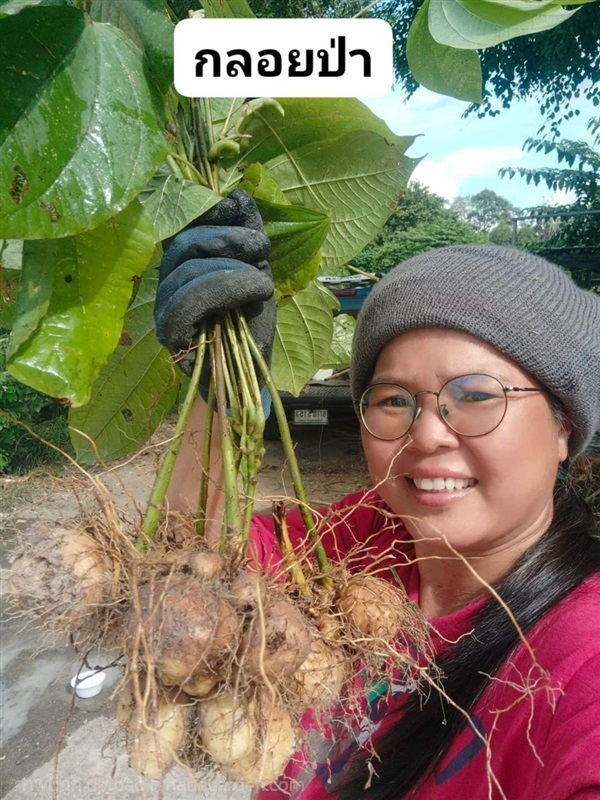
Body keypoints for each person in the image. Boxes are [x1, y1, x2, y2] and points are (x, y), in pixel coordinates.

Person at [155, 191, 600, 800]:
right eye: (394, 400)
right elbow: (190, 570)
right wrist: (216, 392)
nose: (427, 434)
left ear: (563, 427)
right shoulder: (367, 533)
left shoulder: (582, 653)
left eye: (476, 395)